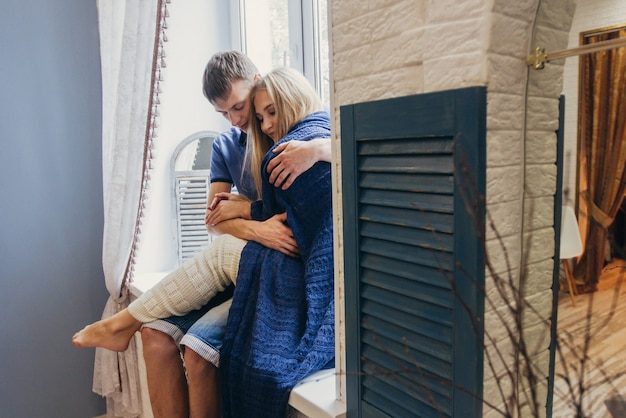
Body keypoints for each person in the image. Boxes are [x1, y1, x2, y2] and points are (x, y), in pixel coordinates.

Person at [73, 67, 335, 417]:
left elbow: (350, 147)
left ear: (258, 82)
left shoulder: (296, 145)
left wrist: (316, 150)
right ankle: (129, 324)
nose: (236, 119)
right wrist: (258, 226)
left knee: (197, 347)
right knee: (154, 334)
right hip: (253, 256)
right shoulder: (229, 144)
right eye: (225, 113)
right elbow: (217, 221)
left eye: (242, 108)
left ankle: (123, 323)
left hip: (267, 265)